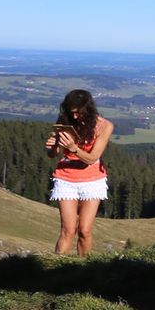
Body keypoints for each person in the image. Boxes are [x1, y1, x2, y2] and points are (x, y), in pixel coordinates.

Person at [46, 89, 114, 255]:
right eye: (72, 112)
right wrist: (52, 147)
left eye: (79, 113)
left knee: (84, 230)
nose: (75, 117)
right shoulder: (65, 122)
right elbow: (53, 154)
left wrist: (73, 148)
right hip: (66, 178)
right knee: (68, 230)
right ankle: (56, 270)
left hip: (92, 180)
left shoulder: (105, 126)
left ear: (88, 109)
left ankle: (83, 271)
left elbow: (92, 158)